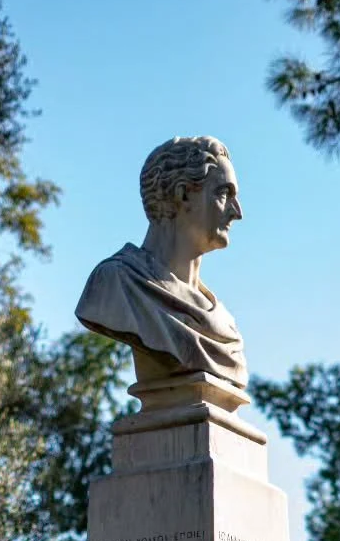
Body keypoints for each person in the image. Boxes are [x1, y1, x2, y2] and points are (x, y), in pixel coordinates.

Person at [75, 135, 247, 389]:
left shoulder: (226, 326)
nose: (237, 212)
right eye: (224, 193)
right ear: (183, 194)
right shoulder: (116, 283)